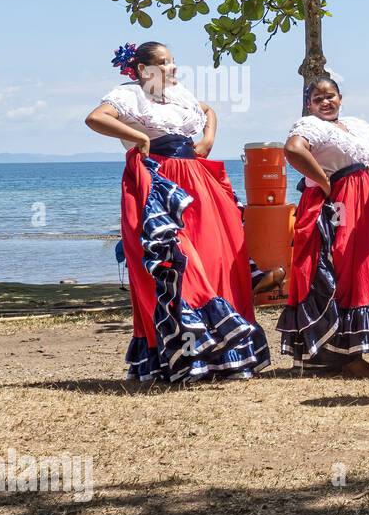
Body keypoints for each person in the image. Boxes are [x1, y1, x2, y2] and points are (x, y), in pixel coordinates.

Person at [85, 42, 268, 382]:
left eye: (173, 61)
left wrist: (208, 139)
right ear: (143, 70)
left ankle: (220, 356)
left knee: (216, 259)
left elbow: (209, 110)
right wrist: (138, 137)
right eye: (164, 63)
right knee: (179, 262)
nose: (173, 68)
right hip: (160, 182)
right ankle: (181, 357)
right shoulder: (129, 95)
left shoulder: (179, 95)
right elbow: (95, 118)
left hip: (197, 180)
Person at [278, 76, 369, 378]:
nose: (326, 102)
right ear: (309, 103)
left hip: (366, 200)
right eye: (318, 98)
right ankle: (345, 355)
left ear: (340, 98)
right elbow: (294, 149)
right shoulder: (310, 126)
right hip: (339, 203)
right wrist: (326, 182)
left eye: (331, 96)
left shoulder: (356, 124)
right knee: (344, 267)